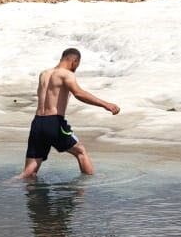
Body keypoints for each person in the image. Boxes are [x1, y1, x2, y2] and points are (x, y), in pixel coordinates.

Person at [19, 47, 119, 180]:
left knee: (29, 172)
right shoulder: (66, 74)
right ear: (74, 61)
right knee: (81, 152)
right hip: (54, 122)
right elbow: (79, 93)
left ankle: (9, 184)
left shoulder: (44, 74)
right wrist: (106, 104)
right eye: (77, 65)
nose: (76, 68)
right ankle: (87, 187)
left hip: (37, 122)